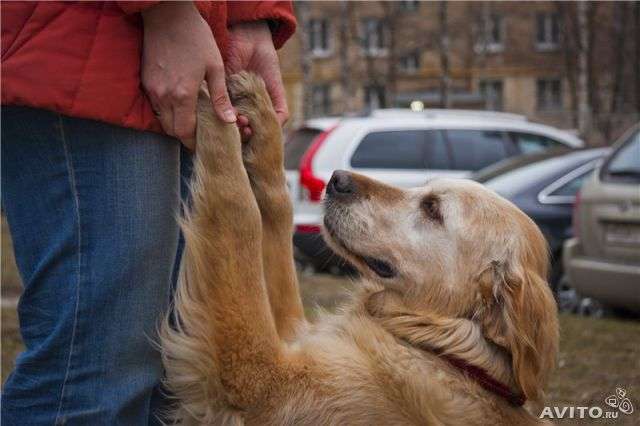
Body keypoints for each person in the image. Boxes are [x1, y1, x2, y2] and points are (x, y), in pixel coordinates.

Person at [0, 1, 296, 424]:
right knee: (94, 382)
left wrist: (246, 18)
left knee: (172, 382)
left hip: (185, 37)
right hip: (85, 34)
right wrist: (167, 10)